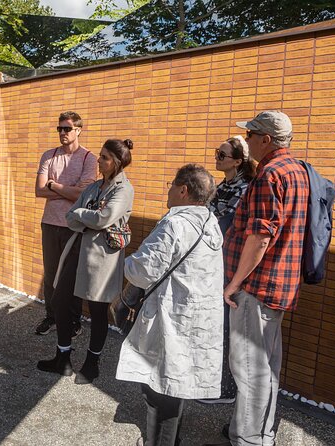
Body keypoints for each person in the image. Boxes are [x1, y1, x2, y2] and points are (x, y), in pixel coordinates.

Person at [205, 111, 309, 446]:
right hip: (279, 285)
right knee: (265, 370)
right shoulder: (297, 170)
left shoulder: (270, 175)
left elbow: (260, 236)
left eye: (250, 134)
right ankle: (260, 436)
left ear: (266, 139)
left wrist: (233, 283)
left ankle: (248, 441)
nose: (246, 140)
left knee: (249, 371)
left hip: (257, 287)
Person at [117, 164, 224, 446]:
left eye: (170, 183)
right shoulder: (210, 222)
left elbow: (143, 270)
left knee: (159, 390)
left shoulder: (175, 223)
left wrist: (120, 257)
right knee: (176, 385)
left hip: (171, 318)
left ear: (183, 189)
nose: (168, 189)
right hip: (196, 319)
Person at [37, 139, 134, 384]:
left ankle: (92, 364)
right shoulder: (93, 188)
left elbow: (104, 218)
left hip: (102, 257)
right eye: (100, 156)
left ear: (117, 162)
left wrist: (82, 215)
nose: (99, 161)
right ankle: (63, 358)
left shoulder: (123, 189)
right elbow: (71, 218)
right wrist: (84, 216)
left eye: (104, 157)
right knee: (60, 300)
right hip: (77, 249)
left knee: (98, 309)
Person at [199, 136, 256, 405]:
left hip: (230, 267)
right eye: (216, 153)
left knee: (225, 327)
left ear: (237, 161)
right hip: (215, 263)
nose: (217, 158)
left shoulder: (243, 188)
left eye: (222, 155)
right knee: (215, 325)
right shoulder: (224, 185)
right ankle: (215, 383)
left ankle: (226, 389)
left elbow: (221, 224)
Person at [34, 111, 98, 336]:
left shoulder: (88, 158)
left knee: (72, 274)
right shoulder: (49, 156)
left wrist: (54, 185)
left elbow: (84, 196)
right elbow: (38, 190)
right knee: (51, 274)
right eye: (59, 128)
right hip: (50, 223)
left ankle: (73, 321)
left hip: (75, 225)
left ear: (78, 130)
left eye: (67, 128)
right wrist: (68, 190)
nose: (62, 132)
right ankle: (51, 317)